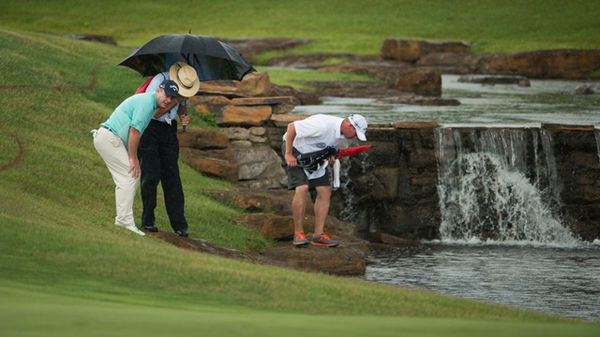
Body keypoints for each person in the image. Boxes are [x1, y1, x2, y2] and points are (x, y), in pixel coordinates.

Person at [93, 79, 182, 236]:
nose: (168, 100)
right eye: (167, 95)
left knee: (128, 177)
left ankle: (123, 220)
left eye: (172, 98)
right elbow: (135, 131)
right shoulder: (148, 102)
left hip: (109, 138)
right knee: (130, 175)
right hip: (109, 138)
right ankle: (124, 221)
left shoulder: (151, 104)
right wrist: (133, 158)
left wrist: (180, 103)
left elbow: (148, 121)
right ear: (159, 90)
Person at [283, 114, 368, 247]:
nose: (356, 137)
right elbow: (291, 127)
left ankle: (318, 235)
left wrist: (331, 156)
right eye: (356, 133)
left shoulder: (342, 135)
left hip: (315, 155)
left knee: (325, 190)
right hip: (295, 149)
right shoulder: (322, 126)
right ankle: (298, 233)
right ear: (348, 125)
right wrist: (288, 154)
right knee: (302, 188)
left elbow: (327, 148)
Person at [138, 62, 200, 237]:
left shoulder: (185, 85)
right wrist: (177, 99)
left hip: (168, 129)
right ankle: (148, 220)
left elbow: (182, 105)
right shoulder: (159, 81)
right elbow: (154, 112)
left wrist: (182, 114)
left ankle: (180, 225)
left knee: (172, 176)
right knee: (151, 174)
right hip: (150, 127)